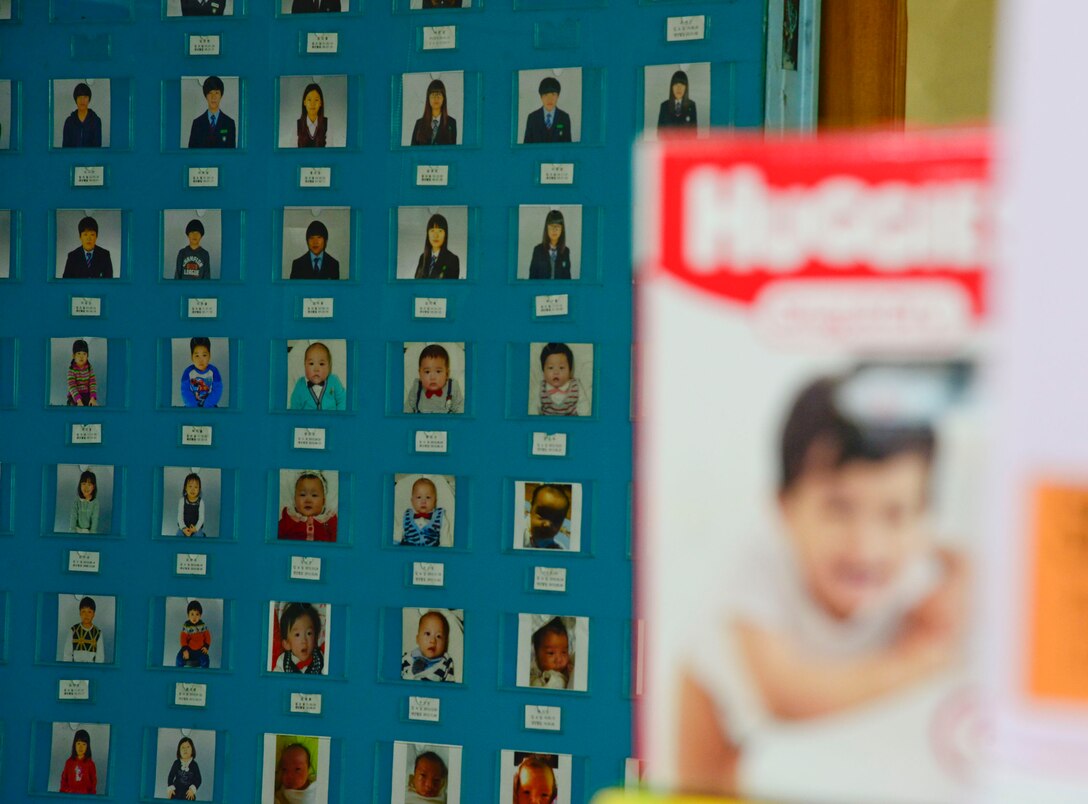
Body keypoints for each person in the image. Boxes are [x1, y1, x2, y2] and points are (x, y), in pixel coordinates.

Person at [676, 370, 969, 795]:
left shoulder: (920, 573)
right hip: (726, 694)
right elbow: (787, 698)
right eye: (838, 507)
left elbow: (969, 568)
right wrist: (921, 658)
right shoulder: (756, 568)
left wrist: (961, 580)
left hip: (841, 717)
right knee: (705, 791)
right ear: (784, 507)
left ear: (926, 520)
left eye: (895, 513)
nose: (867, 544)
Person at [532, 342, 590, 416]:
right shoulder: (540, 388)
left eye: (561, 368)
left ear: (570, 370)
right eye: (550, 368)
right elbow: (533, 410)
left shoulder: (576, 386)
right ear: (543, 371)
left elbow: (585, 410)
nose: (556, 372)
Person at [278, 471, 337, 541]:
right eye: (302, 495)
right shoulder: (288, 520)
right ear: (295, 500)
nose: (308, 500)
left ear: (323, 501)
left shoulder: (329, 521)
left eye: (314, 495)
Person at [404, 344, 463, 414]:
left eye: (438, 371)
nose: (432, 377)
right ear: (420, 374)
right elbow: (408, 409)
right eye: (427, 372)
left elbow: (460, 410)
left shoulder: (453, 387)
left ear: (447, 374)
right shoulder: (417, 387)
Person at [289, 342, 346, 411]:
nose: (316, 369)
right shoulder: (300, 385)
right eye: (311, 363)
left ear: (329, 367)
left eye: (321, 364)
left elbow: (343, 399)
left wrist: (339, 417)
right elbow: (294, 407)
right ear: (305, 366)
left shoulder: (334, 381)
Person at [401, 610, 455, 681]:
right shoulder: (406, 658)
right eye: (428, 634)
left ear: (445, 642)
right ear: (418, 639)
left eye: (438, 636)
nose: (432, 641)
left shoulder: (445, 664)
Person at [274, 603, 325, 674]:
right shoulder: (283, 661)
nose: (304, 640)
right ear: (287, 644)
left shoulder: (321, 658)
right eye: (297, 635)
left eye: (309, 633)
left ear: (315, 638)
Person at [187, 75, 235, 149]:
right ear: (205, 96)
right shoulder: (197, 123)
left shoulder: (229, 123)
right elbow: (191, 154)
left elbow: (232, 156)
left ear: (221, 95)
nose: (213, 97)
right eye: (210, 93)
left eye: (216, 93)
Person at [400, 477, 449, 547]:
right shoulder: (406, 516)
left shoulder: (440, 516)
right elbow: (397, 536)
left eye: (428, 497)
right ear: (412, 501)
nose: (423, 501)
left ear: (435, 501)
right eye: (419, 497)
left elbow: (446, 540)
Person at [523, 76, 571, 144]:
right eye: (545, 95)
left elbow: (568, 147)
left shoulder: (564, 118)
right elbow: (526, 147)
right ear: (541, 97)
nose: (549, 99)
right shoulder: (532, 118)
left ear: (558, 96)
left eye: (553, 94)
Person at [522, 483, 570, 550]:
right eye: (542, 514)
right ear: (531, 508)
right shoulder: (517, 534)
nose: (547, 524)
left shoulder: (559, 550)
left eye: (556, 520)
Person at [410, 79, 457, 146]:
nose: (436, 98)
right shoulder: (419, 124)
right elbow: (412, 152)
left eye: (439, 94)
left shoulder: (451, 123)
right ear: (428, 99)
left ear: (444, 98)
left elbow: (453, 153)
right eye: (433, 95)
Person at [179, 337, 223, 408]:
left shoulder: (214, 371)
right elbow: (185, 391)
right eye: (197, 356)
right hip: (192, 408)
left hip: (210, 407)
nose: (201, 359)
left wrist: (207, 405)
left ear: (209, 355)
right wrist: (193, 406)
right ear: (192, 357)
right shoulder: (188, 372)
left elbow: (217, 390)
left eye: (204, 355)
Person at [412, 213, 460, 279]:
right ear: (428, 234)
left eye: (440, 231)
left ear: (445, 234)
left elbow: (452, 288)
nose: (436, 235)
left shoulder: (452, 260)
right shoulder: (422, 258)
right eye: (432, 231)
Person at [529, 617, 572, 689]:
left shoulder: (569, 670)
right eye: (551, 653)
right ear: (536, 653)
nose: (559, 660)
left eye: (564, 652)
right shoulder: (533, 676)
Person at [528, 210, 571, 279]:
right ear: (546, 228)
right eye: (551, 226)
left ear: (562, 230)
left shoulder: (566, 251)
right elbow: (532, 278)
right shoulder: (537, 250)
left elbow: (567, 279)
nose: (554, 230)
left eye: (557, 227)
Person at [63, 595, 105, 663]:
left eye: (89, 612)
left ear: (93, 614)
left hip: (91, 670)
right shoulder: (73, 631)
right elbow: (67, 655)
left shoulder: (98, 633)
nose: (86, 615)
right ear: (80, 613)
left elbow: (100, 658)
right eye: (83, 611)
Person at [61, 82, 102, 148]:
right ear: (75, 99)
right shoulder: (69, 122)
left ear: (89, 99)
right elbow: (65, 147)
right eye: (79, 97)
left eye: (85, 97)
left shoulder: (96, 121)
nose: (82, 100)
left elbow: (97, 148)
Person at [59, 728, 98, 793]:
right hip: (70, 797)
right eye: (78, 743)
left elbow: (93, 782)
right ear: (74, 745)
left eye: (84, 744)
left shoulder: (90, 764)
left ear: (87, 747)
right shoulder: (69, 763)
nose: (81, 747)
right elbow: (64, 781)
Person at [176, 599, 211, 668]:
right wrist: (185, 650)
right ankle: (179, 675)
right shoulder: (186, 626)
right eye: (192, 614)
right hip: (189, 649)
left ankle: (204, 676)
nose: (194, 617)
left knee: (206, 660)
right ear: (188, 615)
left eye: (197, 614)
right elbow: (183, 638)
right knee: (179, 659)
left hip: (200, 650)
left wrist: (206, 646)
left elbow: (208, 636)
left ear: (200, 615)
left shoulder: (202, 626)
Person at [66, 338, 98, 407]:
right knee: (74, 408)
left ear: (87, 356)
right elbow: (72, 387)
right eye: (79, 353)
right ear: (73, 356)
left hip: (86, 395)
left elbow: (93, 384)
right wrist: (78, 401)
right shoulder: (71, 370)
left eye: (84, 354)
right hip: (74, 396)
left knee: (93, 406)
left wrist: (93, 398)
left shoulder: (89, 368)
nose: (81, 356)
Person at [296, 82, 327, 148]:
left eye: (316, 100)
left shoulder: (327, 124)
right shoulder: (297, 125)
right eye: (309, 100)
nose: (312, 104)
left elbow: (330, 154)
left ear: (320, 103)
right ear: (304, 102)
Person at [70, 469, 100, 534]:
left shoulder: (95, 503)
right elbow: (73, 517)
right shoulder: (77, 501)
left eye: (89, 485)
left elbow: (95, 520)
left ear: (93, 487)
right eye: (83, 484)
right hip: (76, 531)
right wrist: (72, 533)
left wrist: (91, 535)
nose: (86, 487)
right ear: (80, 485)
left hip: (88, 532)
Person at [176, 472, 206, 538]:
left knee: (198, 536)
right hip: (184, 528)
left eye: (196, 487)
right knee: (179, 535)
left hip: (196, 529)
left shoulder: (201, 502)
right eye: (190, 486)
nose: (193, 489)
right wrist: (184, 528)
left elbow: (201, 519)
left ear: (199, 489)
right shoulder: (182, 501)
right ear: (185, 488)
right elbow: (179, 517)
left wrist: (196, 528)